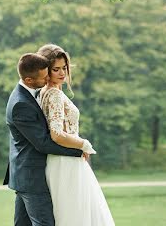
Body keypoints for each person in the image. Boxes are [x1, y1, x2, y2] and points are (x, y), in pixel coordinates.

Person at [37, 44, 115, 226]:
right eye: (56, 69)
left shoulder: (47, 92)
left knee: (77, 213)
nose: (62, 73)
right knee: (75, 214)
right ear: (45, 70)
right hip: (65, 162)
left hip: (64, 159)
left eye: (64, 68)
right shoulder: (54, 94)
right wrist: (83, 144)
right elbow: (56, 134)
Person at [4, 52, 86, 226]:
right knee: (44, 224)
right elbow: (42, 143)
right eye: (44, 76)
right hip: (31, 176)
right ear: (29, 80)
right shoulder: (21, 104)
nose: (48, 78)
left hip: (24, 174)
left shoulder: (26, 94)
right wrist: (78, 150)